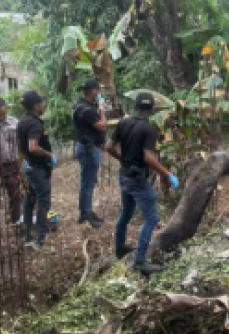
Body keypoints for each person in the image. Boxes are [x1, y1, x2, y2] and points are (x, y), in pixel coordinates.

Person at [106, 93, 179, 277]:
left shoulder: (123, 123)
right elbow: (148, 158)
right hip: (137, 179)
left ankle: (120, 248)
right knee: (152, 218)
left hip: (124, 175)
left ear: (136, 107)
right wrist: (168, 174)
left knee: (127, 213)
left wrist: (123, 159)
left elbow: (108, 147)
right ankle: (140, 261)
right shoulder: (149, 129)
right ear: (152, 110)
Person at [17, 90, 57, 253]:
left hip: (30, 168)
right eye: (41, 102)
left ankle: (27, 238)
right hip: (38, 169)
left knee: (30, 199)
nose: (44, 105)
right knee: (43, 201)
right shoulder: (34, 123)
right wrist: (49, 154)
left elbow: (22, 147)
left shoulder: (23, 121)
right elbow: (33, 147)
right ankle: (41, 240)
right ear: (35, 106)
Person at [73, 79, 108, 228]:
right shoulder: (85, 109)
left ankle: (87, 211)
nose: (99, 93)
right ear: (91, 91)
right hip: (89, 149)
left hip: (90, 148)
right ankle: (85, 215)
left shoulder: (85, 107)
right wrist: (102, 109)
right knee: (88, 183)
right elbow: (103, 127)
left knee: (90, 182)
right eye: (97, 90)